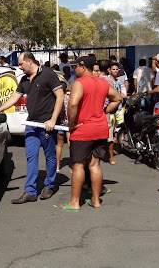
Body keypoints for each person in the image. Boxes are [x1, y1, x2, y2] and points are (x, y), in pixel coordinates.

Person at [0, 52, 64, 204]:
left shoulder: (48, 74)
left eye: (21, 64)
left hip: (46, 125)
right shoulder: (24, 80)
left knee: (50, 156)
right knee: (31, 157)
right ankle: (30, 191)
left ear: (29, 61)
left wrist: (53, 120)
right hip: (31, 125)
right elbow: (14, 98)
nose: (20, 67)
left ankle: (49, 185)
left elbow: (60, 96)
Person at [60, 56, 122, 211]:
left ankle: (75, 202)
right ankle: (95, 200)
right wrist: (103, 111)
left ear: (82, 67)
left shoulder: (79, 83)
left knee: (78, 166)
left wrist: (72, 124)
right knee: (95, 165)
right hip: (100, 128)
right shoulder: (102, 82)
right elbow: (117, 98)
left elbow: (73, 104)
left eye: (75, 67)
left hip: (83, 130)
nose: (73, 69)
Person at [98, 60, 121, 165]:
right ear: (108, 69)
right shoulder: (109, 81)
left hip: (96, 110)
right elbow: (115, 97)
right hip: (105, 109)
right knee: (109, 134)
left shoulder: (95, 80)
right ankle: (111, 157)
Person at [55, 81, 71, 172]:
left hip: (60, 123)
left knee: (59, 145)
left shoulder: (58, 99)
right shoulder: (69, 98)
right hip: (69, 122)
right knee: (70, 144)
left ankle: (57, 165)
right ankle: (73, 165)